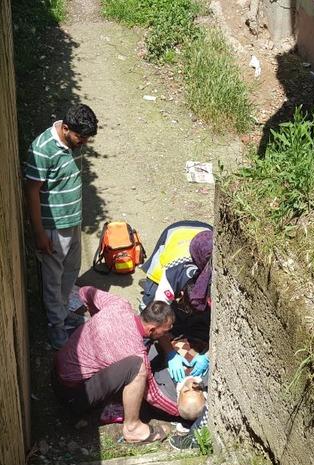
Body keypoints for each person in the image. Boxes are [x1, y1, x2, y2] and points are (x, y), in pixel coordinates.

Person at [53, 286, 179, 444]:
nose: (165, 335)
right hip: (72, 394)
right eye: (165, 332)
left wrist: (96, 317)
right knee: (137, 368)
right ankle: (133, 428)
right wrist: (179, 409)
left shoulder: (119, 304)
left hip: (57, 368)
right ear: (152, 329)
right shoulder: (135, 349)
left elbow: (85, 291)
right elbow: (153, 395)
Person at [24, 104, 98, 348]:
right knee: (52, 278)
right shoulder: (43, 149)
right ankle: (55, 326)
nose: (84, 143)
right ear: (65, 128)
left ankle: (64, 312)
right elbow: (32, 192)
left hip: (72, 221)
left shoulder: (72, 142)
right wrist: (39, 234)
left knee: (71, 270)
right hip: (52, 227)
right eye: (81, 137)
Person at [139, 221, 213, 382]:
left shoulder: (216, 282)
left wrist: (207, 355)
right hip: (175, 236)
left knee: (201, 325)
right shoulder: (173, 275)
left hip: (206, 240)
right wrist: (170, 353)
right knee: (149, 310)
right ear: (180, 294)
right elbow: (156, 317)